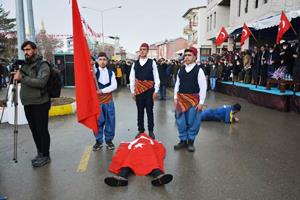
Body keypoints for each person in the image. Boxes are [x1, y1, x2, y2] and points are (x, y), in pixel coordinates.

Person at [13, 41, 51, 167]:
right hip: (28, 102)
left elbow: (41, 82)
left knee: (42, 130)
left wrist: (22, 78)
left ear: (34, 50)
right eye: (24, 50)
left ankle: (46, 155)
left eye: (28, 49)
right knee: (34, 130)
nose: (26, 52)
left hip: (40, 103)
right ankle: (40, 153)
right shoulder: (25, 66)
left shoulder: (43, 65)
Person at [104, 133, 173, 187]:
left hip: (146, 152)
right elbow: (159, 148)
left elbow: (127, 147)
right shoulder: (139, 141)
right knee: (148, 163)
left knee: (130, 162)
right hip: (137, 152)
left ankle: (121, 176)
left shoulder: (149, 141)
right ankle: (159, 176)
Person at [174, 47, 207, 152]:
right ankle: (183, 140)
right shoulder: (181, 69)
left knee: (193, 122)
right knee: (180, 121)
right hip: (181, 99)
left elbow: (203, 87)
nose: (187, 57)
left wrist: (201, 103)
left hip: (194, 100)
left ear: (195, 57)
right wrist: (175, 97)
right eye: (186, 55)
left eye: (189, 55)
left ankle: (191, 141)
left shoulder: (199, 70)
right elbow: (177, 84)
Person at [129, 43, 160, 139]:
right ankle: (141, 130)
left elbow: (156, 77)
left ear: (147, 51)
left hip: (149, 90)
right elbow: (132, 78)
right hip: (138, 90)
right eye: (141, 49)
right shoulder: (135, 63)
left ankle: (151, 130)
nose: (142, 51)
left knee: (150, 111)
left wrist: (156, 90)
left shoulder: (152, 62)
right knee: (140, 111)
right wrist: (132, 91)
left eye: (144, 49)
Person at [92, 52, 117, 151]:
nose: (102, 61)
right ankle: (98, 141)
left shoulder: (111, 73)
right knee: (98, 122)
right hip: (97, 102)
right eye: (100, 59)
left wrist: (102, 91)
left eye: (104, 59)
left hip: (108, 101)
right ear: (97, 61)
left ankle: (109, 140)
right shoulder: (94, 72)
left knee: (110, 121)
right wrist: (91, 64)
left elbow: (114, 86)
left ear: (107, 61)